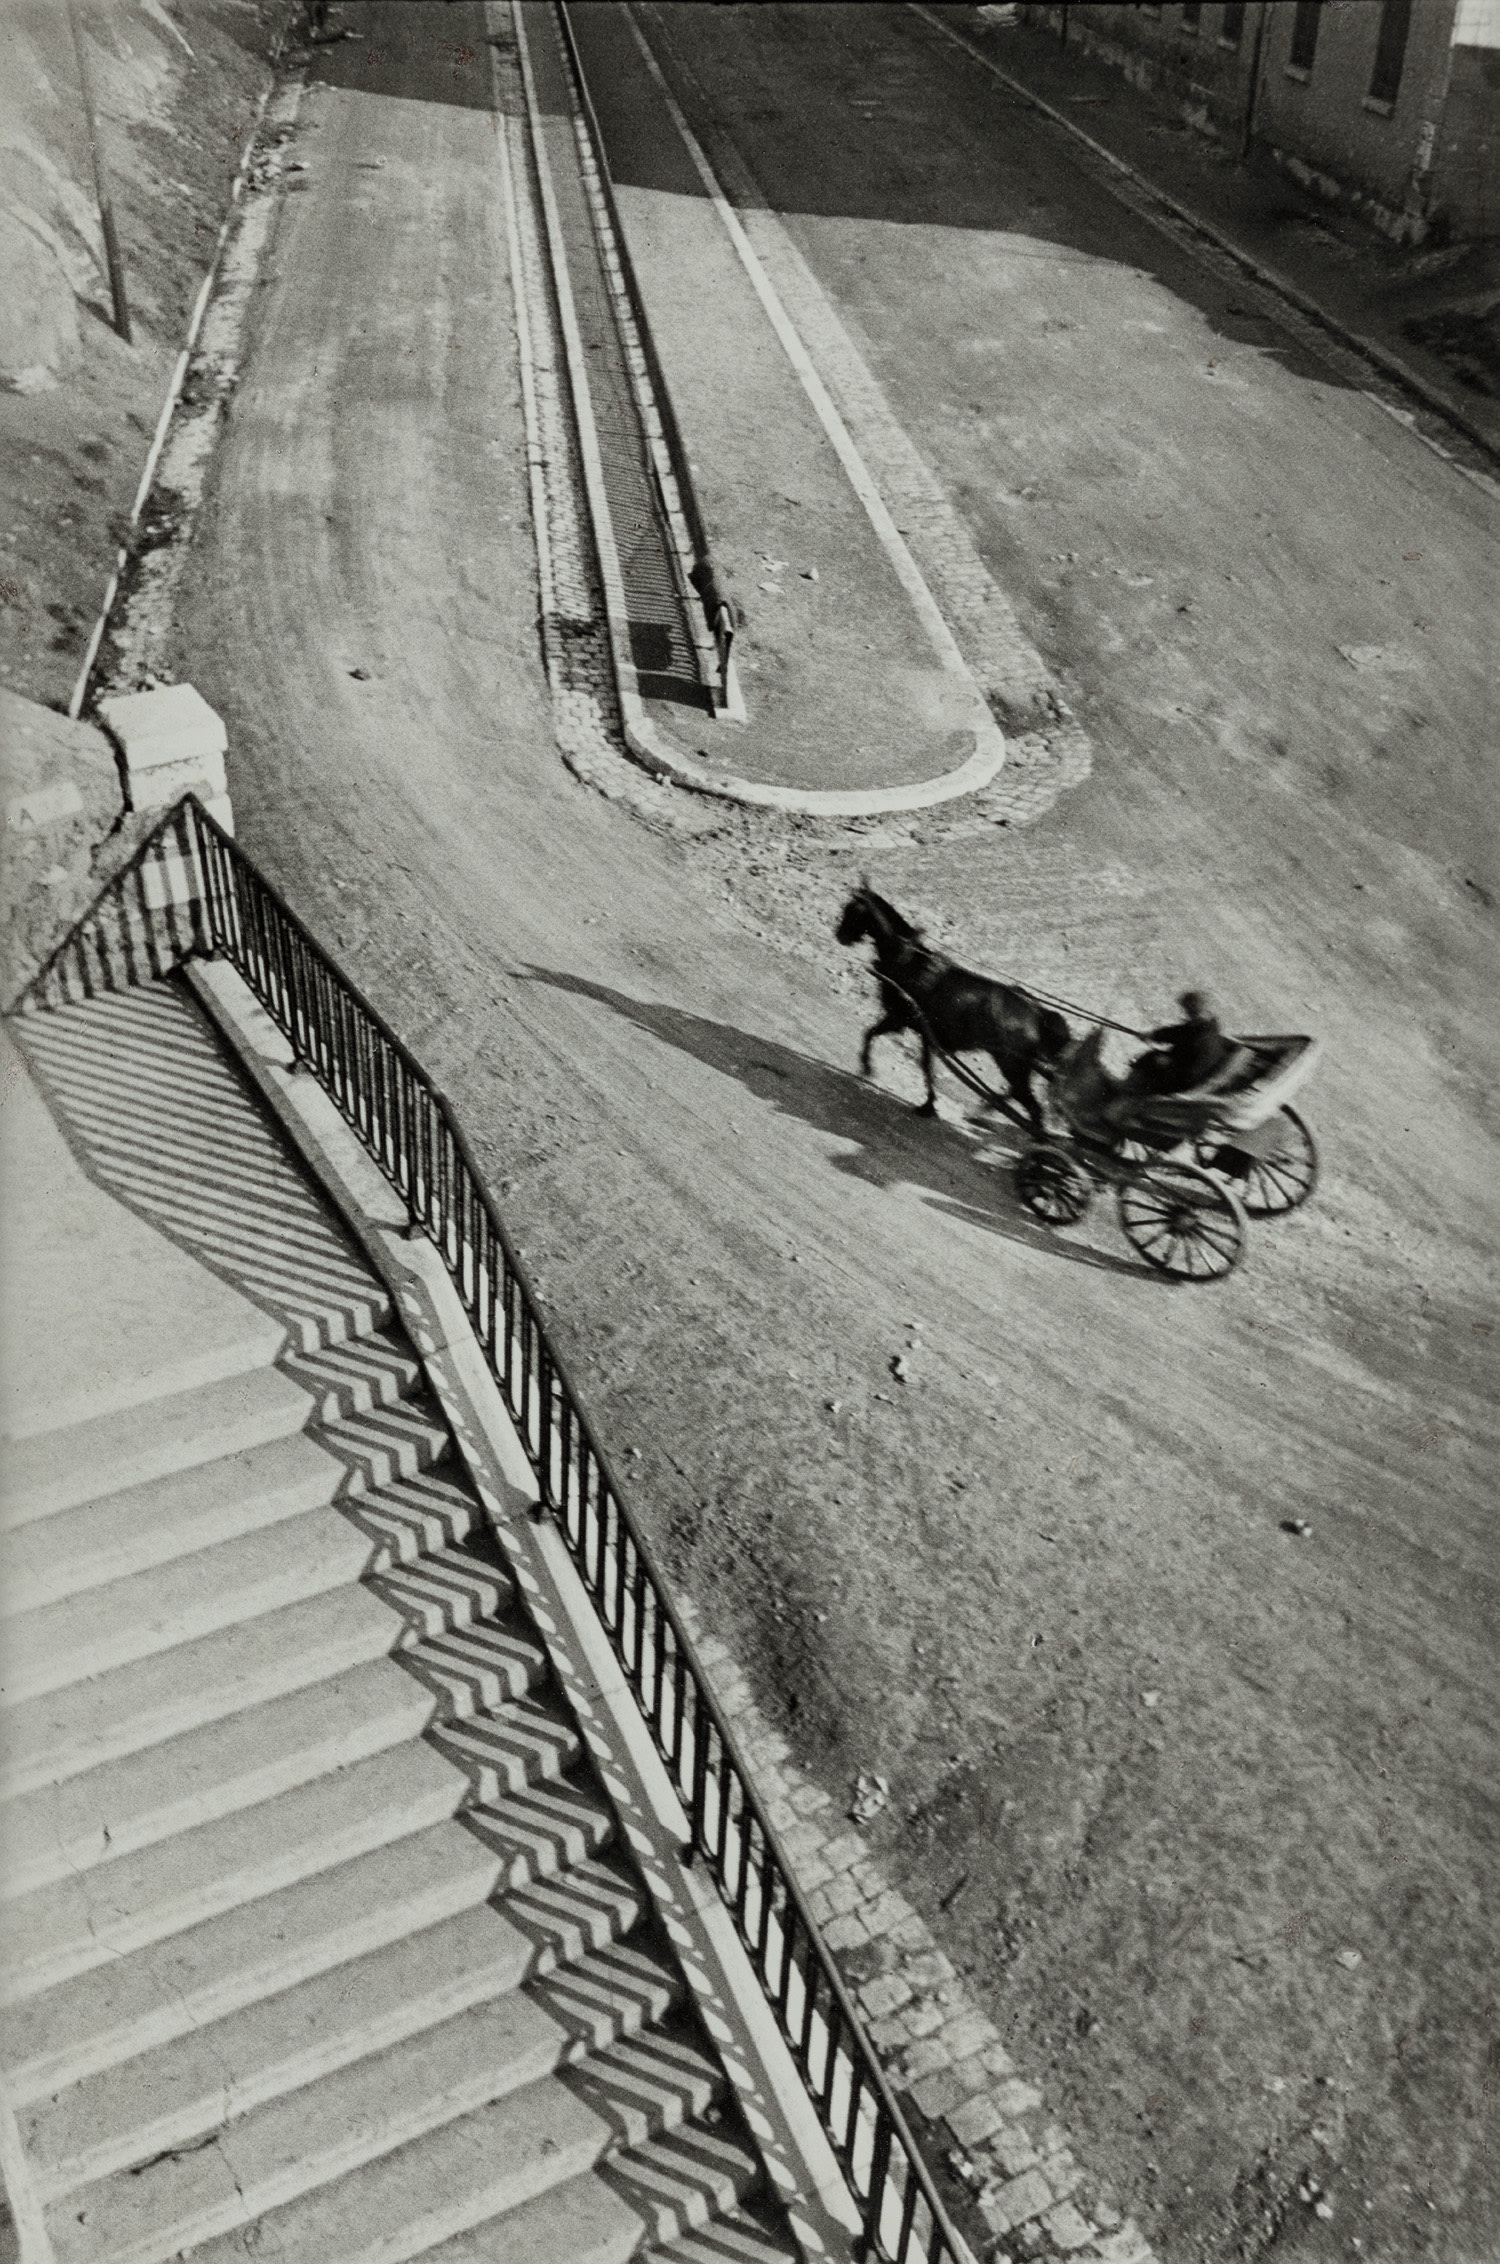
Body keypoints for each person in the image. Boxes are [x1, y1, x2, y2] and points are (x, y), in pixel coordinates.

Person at [1128, 991, 1234, 1097]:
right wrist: (1153, 1035)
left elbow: (1174, 1033)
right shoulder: (1212, 1025)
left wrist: (1151, 1036)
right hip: (1204, 1072)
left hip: (1188, 1081)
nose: (1185, 1013)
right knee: (1162, 1058)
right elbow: (1178, 1031)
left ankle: (1129, 1088)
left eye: (1186, 1010)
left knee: (1152, 1057)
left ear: (1191, 1010)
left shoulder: (1192, 1032)